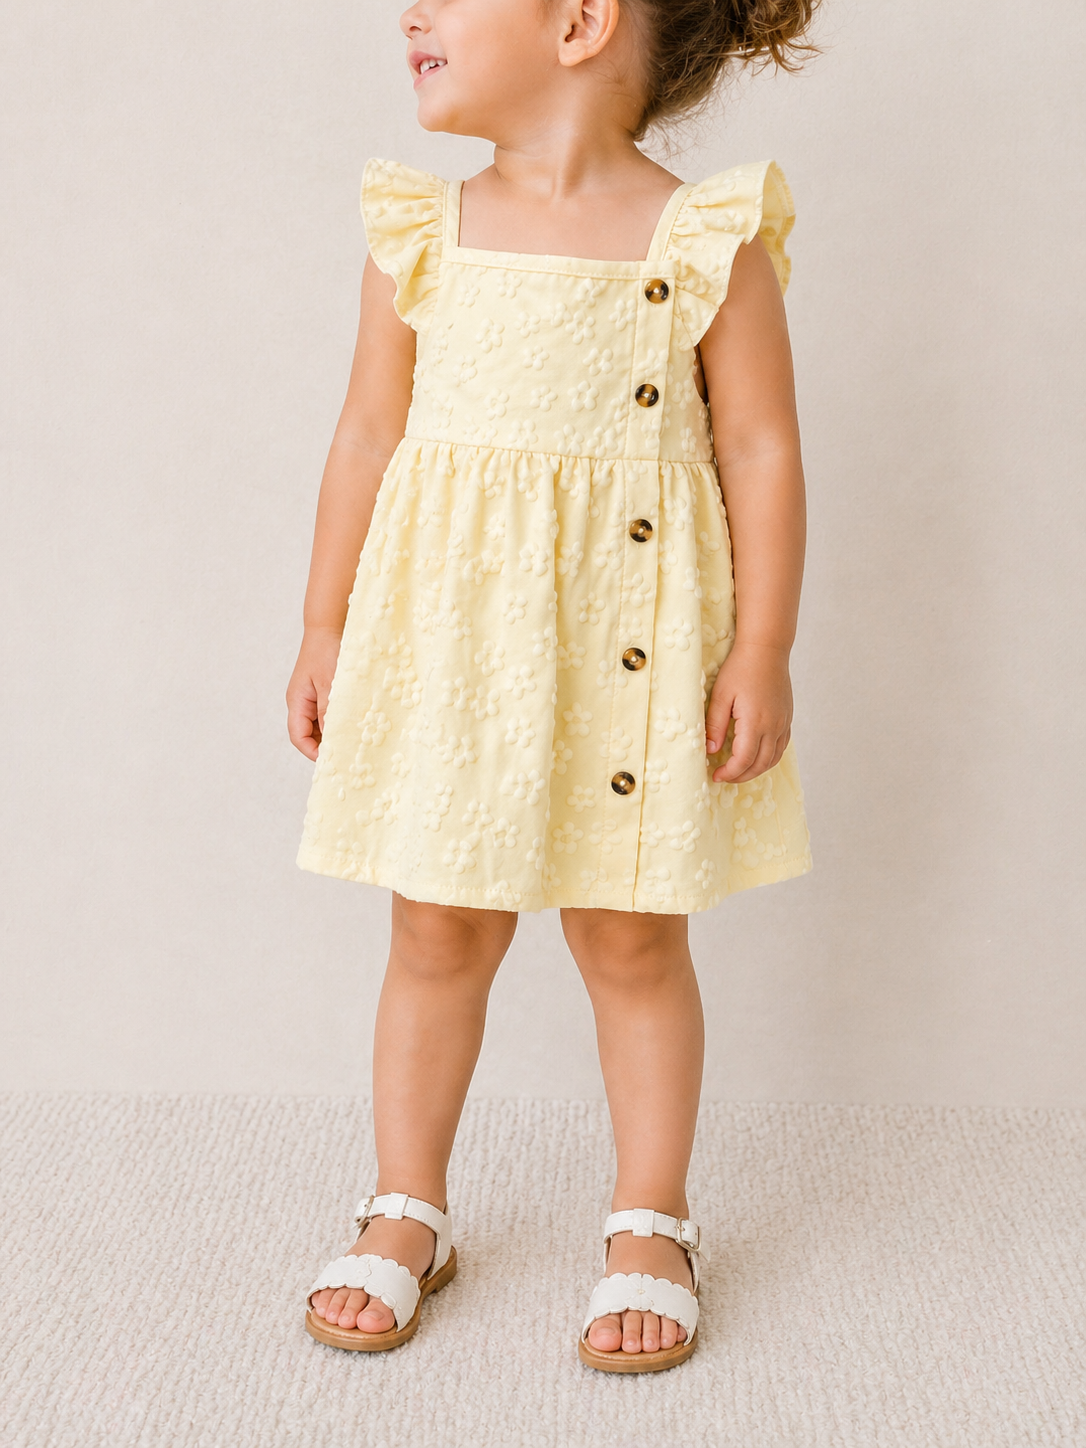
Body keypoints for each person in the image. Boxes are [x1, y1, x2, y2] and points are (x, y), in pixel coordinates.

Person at [286, 0, 818, 1372]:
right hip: (457, 648)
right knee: (433, 928)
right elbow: (366, 431)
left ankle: (650, 1217)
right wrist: (324, 624)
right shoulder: (424, 233)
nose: (410, 13)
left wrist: (762, 645)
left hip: (631, 642)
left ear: (579, 21)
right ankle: (405, 1202)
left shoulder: (701, 241)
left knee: (632, 939)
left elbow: (759, 448)